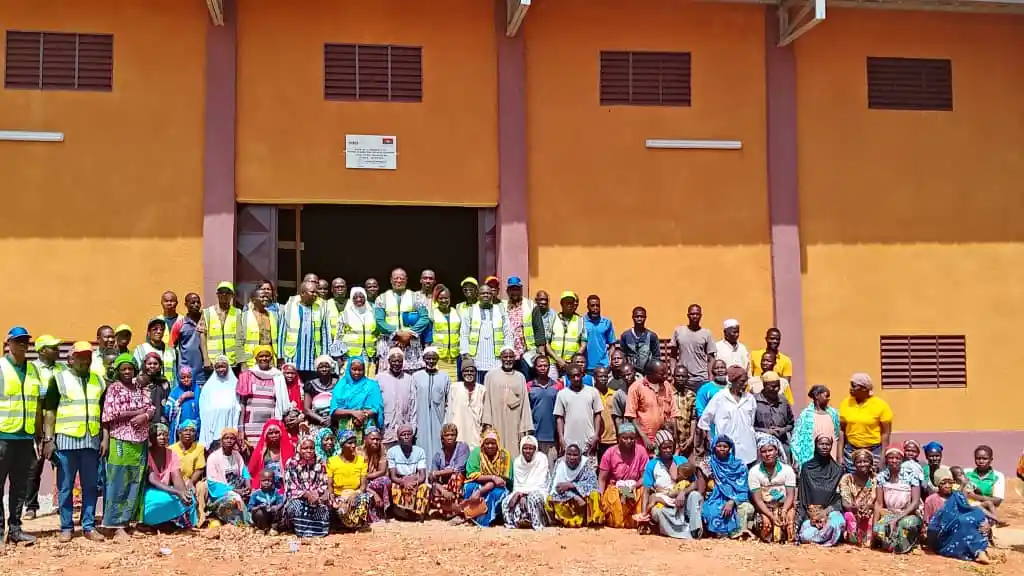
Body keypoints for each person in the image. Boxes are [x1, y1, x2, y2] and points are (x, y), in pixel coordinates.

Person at [40, 341, 106, 542]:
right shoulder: (59, 379)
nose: (85, 360)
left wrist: (104, 438)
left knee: (90, 486)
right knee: (66, 486)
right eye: (81, 356)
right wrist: (49, 439)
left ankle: (88, 526)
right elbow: (50, 411)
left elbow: (103, 414)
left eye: (88, 356)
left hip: (91, 441)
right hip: (66, 442)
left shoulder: (99, 381)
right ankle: (66, 527)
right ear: (73, 358)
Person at [101, 354, 155, 539]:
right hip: (121, 440)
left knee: (135, 482)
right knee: (118, 482)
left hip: (139, 442)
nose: (126, 372)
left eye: (129, 368)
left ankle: (130, 522)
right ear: (117, 370)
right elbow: (111, 413)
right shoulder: (114, 389)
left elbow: (151, 407)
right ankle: (114, 525)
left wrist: (144, 416)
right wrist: (137, 412)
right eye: (123, 369)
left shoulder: (139, 388)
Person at [25, 334, 63, 522]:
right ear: (41, 351)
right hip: (37, 420)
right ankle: (31, 506)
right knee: (35, 465)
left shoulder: (62, 368)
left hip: (59, 421)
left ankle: (62, 503)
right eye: (53, 347)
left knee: (62, 465)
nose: (57, 350)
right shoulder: (31, 368)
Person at [640, 430, 704, 539]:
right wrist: (643, 515)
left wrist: (683, 492)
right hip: (664, 501)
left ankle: (695, 530)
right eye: (664, 448)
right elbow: (646, 492)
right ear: (658, 448)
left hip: (682, 501)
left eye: (670, 447)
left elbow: (695, 483)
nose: (668, 450)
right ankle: (682, 533)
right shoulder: (652, 465)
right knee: (658, 512)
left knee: (695, 496)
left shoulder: (681, 460)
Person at [925, 467, 994, 564]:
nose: (947, 485)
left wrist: (985, 522)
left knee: (975, 514)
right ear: (937, 484)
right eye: (943, 483)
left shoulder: (959, 496)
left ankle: (980, 552)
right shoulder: (931, 500)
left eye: (950, 482)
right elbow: (929, 524)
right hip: (943, 537)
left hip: (962, 530)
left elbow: (968, 511)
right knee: (961, 521)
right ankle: (977, 551)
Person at [140, 423, 197, 529]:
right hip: (150, 491)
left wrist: (184, 493)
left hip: (167, 490)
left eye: (165, 434)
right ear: (151, 438)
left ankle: (176, 522)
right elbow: (153, 480)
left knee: (190, 498)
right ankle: (153, 522)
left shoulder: (172, 454)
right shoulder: (146, 454)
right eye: (159, 435)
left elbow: (176, 478)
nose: (163, 437)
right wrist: (177, 492)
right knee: (161, 501)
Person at [698, 366, 756, 466]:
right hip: (725, 451)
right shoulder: (720, 397)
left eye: (746, 381)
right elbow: (704, 421)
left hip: (747, 450)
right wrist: (711, 441)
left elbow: (751, 422)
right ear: (733, 381)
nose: (745, 384)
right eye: (742, 381)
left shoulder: (750, 399)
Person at [374, 268, 430, 372]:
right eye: (396, 278)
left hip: (411, 342)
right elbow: (379, 321)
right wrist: (397, 334)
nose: (399, 281)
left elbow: (424, 318)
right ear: (391, 280)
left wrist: (409, 334)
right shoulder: (381, 298)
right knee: (388, 376)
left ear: (406, 280)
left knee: (411, 377)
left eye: (402, 278)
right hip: (390, 342)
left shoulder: (417, 297)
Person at [482, 347, 534, 458]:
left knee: (513, 452)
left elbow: (525, 403)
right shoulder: (490, 376)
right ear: (501, 358)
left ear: (515, 359)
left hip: (514, 422)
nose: (508, 359)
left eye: (511, 357)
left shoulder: (520, 377)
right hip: (496, 421)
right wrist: (487, 423)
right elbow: (486, 401)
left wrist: (524, 427)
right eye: (505, 357)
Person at [598, 422, 649, 529]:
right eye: (625, 438)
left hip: (635, 486)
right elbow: (602, 479)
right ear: (618, 438)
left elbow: (645, 477)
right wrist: (600, 498)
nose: (629, 441)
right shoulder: (609, 453)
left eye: (632, 438)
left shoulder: (641, 451)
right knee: (615, 512)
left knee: (644, 492)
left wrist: (633, 487)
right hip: (615, 488)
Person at [796, 435, 845, 546]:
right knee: (805, 535)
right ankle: (826, 537)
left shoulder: (838, 470)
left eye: (827, 444)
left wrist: (826, 512)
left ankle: (826, 537)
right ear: (816, 446)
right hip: (812, 516)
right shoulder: (806, 468)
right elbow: (803, 497)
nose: (824, 447)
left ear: (831, 446)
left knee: (835, 523)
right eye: (821, 444)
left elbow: (840, 499)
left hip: (831, 513)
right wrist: (815, 517)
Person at [873, 445, 923, 554]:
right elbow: (879, 503)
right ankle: (891, 545)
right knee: (879, 530)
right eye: (890, 458)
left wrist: (896, 519)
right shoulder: (881, 477)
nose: (894, 461)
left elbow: (915, 502)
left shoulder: (911, 475)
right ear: (886, 459)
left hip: (909, 512)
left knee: (906, 525)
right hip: (890, 513)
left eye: (897, 458)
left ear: (902, 459)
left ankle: (909, 543)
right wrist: (874, 526)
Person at [701, 435, 754, 538]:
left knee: (748, 509)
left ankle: (739, 533)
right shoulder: (708, 463)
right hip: (714, 498)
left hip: (737, 498)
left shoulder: (739, 465)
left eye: (725, 446)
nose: (722, 449)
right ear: (713, 447)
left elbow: (743, 488)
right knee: (714, 510)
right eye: (719, 446)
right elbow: (702, 485)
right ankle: (721, 534)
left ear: (730, 448)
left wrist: (732, 501)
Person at [838, 373, 892, 472]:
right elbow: (841, 430)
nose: (850, 389)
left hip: (874, 451)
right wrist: (840, 456)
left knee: (873, 481)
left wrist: (882, 459)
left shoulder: (881, 405)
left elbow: (886, 433)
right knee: (853, 482)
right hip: (851, 450)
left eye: (854, 386)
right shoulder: (846, 403)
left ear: (864, 388)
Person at [278, 280, 331, 382]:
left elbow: (325, 334)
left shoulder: (320, 309)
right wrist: (280, 357)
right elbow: (281, 333)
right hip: (292, 359)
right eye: (312, 292)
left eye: (316, 292)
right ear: (302, 293)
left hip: (313, 360)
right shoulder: (289, 308)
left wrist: (325, 357)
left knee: (311, 390)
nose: (316, 295)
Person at [748, 438, 796, 543]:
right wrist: (771, 516)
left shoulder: (787, 470)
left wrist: (784, 511)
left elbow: (790, 495)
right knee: (765, 525)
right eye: (764, 451)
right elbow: (758, 500)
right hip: (765, 507)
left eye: (770, 450)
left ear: (776, 451)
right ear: (760, 453)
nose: (767, 454)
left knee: (790, 524)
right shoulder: (754, 472)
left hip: (784, 506)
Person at [554, 364, 603, 467]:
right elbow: (559, 418)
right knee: (570, 471)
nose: (576, 378)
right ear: (568, 377)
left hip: (589, 440)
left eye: (578, 375)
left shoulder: (593, 392)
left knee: (590, 471)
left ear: (583, 375)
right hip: (569, 441)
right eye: (573, 376)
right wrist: (561, 438)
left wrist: (596, 435)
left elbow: (597, 415)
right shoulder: (562, 394)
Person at [625, 359, 677, 455]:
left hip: (665, 439)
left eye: (666, 372)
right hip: (645, 439)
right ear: (650, 374)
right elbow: (631, 415)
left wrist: (674, 435)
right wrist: (644, 438)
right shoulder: (636, 387)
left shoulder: (667, 386)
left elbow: (673, 412)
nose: (666, 376)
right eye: (662, 373)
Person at [460, 284, 510, 381]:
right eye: (483, 293)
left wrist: (508, 351)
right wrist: (465, 353)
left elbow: (507, 332)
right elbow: (464, 334)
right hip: (476, 359)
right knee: (478, 389)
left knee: (494, 389)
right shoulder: (469, 311)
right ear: (478, 295)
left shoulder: (500, 310)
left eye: (488, 293)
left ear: (492, 295)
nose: (486, 295)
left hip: (496, 359)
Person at [461, 430, 512, 527]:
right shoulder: (476, 452)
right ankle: (470, 515)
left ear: (497, 444)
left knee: (496, 493)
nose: (490, 446)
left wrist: (481, 491)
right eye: (487, 443)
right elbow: (472, 474)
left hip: (499, 486)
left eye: (493, 443)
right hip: (480, 481)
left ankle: (485, 520)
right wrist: (493, 477)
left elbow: (502, 481)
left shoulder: (504, 455)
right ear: (483, 443)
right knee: (470, 487)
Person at [283, 436, 331, 537]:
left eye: (311, 448)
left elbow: (324, 482)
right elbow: (291, 487)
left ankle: (317, 531)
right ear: (299, 449)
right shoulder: (291, 463)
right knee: (297, 508)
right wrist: (306, 494)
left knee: (324, 508)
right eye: (305, 448)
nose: (309, 451)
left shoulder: (321, 462)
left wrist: (317, 494)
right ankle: (299, 529)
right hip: (298, 498)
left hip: (316, 498)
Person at [329, 356, 383, 444]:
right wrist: (353, 412)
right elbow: (334, 410)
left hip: (366, 425)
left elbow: (376, 407)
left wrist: (363, 415)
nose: (357, 372)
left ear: (364, 370)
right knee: (348, 453)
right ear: (349, 369)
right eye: (354, 369)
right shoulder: (341, 385)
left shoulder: (372, 385)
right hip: (345, 427)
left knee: (365, 453)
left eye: (360, 370)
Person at [547, 443, 603, 527]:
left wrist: (571, 485)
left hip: (583, 494)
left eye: (575, 455)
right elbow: (555, 487)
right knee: (550, 498)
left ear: (580, 455)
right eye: (569, 454)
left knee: (595, 494)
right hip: (566, 496)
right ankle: (568, 520)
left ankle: (591, 521)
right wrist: (574, 496)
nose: (571, 457)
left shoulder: (586, 463)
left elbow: (593, 484)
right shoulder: (560, 463)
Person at [205, 428, 252, 526]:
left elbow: (244, 472)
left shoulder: (237, 455)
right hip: (221, 493)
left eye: (232, 438)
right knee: (233, 500)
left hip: (239, 489)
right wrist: (234, 491)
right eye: (226, 438)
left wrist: (248, 486)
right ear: (221, 440)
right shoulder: (213, 458)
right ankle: (241, 523)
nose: (229, 440)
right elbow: (212, 483)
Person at [326, 430, 372, 530]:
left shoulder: (361, 460)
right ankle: (342, 521)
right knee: (335, 506)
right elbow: (330, 485)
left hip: (355, 494)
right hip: (339, 495)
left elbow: (363, 486)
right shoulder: (332, 461)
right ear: (342, 445)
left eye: (355, 442)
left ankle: (353, 524)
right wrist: (334, 498)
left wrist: (355, 494)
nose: (353, 446)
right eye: (349, 443)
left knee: (364, 498)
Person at [502, 435, 549, 530]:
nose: (528, 451)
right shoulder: (518, 462)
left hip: (539, 491)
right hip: (520, 491)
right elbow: (518, 485)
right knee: (506, 502)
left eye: (531, 448)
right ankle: (514, 523)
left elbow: (541, 484)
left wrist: (523, 494)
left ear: (535, 449)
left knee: (532, 499)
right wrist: (519, 494)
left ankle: (537, 523)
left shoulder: (542, 459)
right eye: (525, 448)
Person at [413, 348, 449, 464]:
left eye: (434, 358)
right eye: (428, 358)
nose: (431, 361)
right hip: (421, 419)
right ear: (423, 359)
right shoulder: (416, 376)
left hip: (439, 420)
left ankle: (437, 475)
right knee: (421, 445)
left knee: (439, 446)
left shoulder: (444, 377)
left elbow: (448, 401)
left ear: (438, 359)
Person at [387, 424, 430, 520]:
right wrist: (403, 482)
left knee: (424, 487)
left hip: (415, 479)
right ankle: (401, 511)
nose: (406, 436)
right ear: (398, 437)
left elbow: (422, 475)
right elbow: (393, 476)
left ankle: (418, 513)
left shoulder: (420, 451)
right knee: (395, 487)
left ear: (412, 436)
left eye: (409, 434)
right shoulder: (392, 452)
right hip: (400, 480)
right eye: (403, 434)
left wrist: (414, 482)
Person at [791, 384, 840, 469]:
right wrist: (796, 459)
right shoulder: (806, 415)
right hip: (811, 456)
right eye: (826, 396)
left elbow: (837, 435)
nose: (829, 399)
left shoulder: (833, 414)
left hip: (831, 454)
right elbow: (798, 438)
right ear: (817, 396)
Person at [330, 287, 377, 375]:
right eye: (355, 297)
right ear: (352, 299)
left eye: (361, 297)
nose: (359, 299)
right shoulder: (345, 314)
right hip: (349, 354)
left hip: (369, 353)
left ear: (365, 298)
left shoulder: (372, 313)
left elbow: (377, 333)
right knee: (351, 378)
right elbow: (339, 336)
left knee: (368, 378)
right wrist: (338, 356)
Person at [197, 356, 241, 449]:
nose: (221, 369)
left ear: (228, 367)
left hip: (229, 427)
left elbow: (238, 406)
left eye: (223, 366)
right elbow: (203, 408)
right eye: (218, 367)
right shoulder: (208, 386)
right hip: (212, 430)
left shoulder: (236, 384)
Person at [169, 420, 207, 527]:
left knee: (202, 487)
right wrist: (182, 482)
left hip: (193, 480)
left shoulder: (199, 448)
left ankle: (200, 516)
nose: (188, 433)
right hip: (176, 481)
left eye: (192, 431)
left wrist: (191, 481)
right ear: (179, 433)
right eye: (185, 430)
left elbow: (200, 468)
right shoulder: (171, 449)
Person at [671, 304, 716, 394]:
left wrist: (711, 379)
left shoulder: (707, 333)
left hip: (702, 379)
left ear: (701, 316)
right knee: (683, 406)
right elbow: (673, 355)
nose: (695, 316)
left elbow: (711, 358)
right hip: (683, 379)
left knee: (700, 407)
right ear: (688, 315)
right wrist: (673, 374)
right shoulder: (679, 331)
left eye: (697, 314)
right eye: (692, 314)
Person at [379, 348, 418, 449]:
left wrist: (412, 428)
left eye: (399, 361)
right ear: (389, 362)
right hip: (386, 431)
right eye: (394, 361)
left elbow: (413, 405)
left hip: (404, 431)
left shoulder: (409, 379)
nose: (397, 364)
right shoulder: (380, 378)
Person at [429, 423, 469, 519]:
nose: (450, 437)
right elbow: (432, 477)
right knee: (432, 488)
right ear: (442, 438)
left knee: (456, 477)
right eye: (447, 435)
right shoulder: (438, 455)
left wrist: (438, 473)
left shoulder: (462, 447)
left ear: (456, 436)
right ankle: (453, 511)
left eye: (452, 435)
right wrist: (443, 491)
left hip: (460, 484)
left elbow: (458, 468)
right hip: (444, 486)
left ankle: (457, 511)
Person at [838, 448, 877, 547]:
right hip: (852, 511)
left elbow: (879, 502)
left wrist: (869, 507)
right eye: (859, 462)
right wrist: (857, 508)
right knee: (849, 517)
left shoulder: (875, 479)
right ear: (854, 464)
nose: (862, 464)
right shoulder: (847, 479)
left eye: (865, 461)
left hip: (871, 512)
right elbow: (845, 503)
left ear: (870, 463)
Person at [752, 371, 795, 458]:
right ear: (764, 385)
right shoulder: (754, 401)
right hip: (762, 450)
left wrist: (782, 430)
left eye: (778, 386)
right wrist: (767, 431)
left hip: (783, 446)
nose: (776, 389)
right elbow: (750, 426)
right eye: (772, 386)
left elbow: (791, 424)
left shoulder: (783, 401)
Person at [445, 360, 486, 449]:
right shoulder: (454, 388)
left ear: (475, 372)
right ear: (462, 372)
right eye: (466, 371)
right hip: (458, 433)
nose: (469, 373)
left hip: (476, 434)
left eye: (472, 371)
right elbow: (449, 411)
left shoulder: (482, 390)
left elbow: (485, 414)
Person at [500, 276, 535, 379]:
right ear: (507, 291)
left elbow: (538, 328)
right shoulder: (502, 305)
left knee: (525, 380)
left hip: (526, 352)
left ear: (521, 290)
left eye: (517, 289)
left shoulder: (530, 304)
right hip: (508, 352)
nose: (514, 292)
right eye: (512, 289)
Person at [204, 282, 243, 371]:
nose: (224, 294)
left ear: (232, 295)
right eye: (221, 292)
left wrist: (241, 359)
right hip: (213, 363)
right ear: (217, 294)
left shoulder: (238, 313)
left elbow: (241, 338)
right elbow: (202, 336)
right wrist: (206, 359)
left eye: (227, 292)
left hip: (233, 363)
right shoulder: (207, 312)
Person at [247, 419, 294, 494]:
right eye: (270, 433)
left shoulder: (289, 449)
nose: (274, 435)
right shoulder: (261, 451)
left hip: (284, 488)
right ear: (266, 435)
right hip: (264, 488)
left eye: (276, 432)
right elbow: (251, 471)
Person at [528, 355, 559, 463]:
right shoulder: (528, 386)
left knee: (551, 468)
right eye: (540, 366)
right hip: (534, 435)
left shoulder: (558, 386)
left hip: (553, 437)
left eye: (545, 365)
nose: (543, 368)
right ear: (535, 368)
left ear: (549, 367)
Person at [547, 291, 587, 375]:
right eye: (567, 302)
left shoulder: (580, 320)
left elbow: (583, 344)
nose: (569, 305)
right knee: (554, 386)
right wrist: (558, 359)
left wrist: (572, 359)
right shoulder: (553, 319)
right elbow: (546, 343)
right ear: (562, 304)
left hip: (571, 363)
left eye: (571, 303)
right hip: (553, 362)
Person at [240, 284, 279, 368]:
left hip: (270, 361)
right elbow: (239, 341)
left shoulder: (273, 316)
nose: (265, 299)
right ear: (253, 300)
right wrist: (243, 363)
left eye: (266, 297)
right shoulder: (244, 316)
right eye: (262, 297)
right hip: (251, 361)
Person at [133, 317, 177, 388]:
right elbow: (135, 373)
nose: (159, 331)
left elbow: (175, 373)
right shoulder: (140, 349)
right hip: (147, 391)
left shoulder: (171, 350)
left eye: (161, 329)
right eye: (155, 329)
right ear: (149, 332)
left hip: (168, 391)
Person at [175, 293, 208, 388]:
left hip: (204, 372)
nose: (196, 305)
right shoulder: (180, 324)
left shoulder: (206, 320)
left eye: (198, 302)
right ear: (186, 304)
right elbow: (172, 347)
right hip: (186, 374)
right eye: (192, 302)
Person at [430, 285, 461, 382]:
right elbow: (428, 336)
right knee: (440, 383)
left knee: (454, 384)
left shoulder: (456, 312)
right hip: (439, 357)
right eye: (441, 298)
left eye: (446, 298)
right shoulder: (432, 314)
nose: (443, 301)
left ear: (450, 298)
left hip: (454, 357)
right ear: (437, 300)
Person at [618, 306, 659, 376]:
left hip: (647, 373)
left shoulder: (652, 336)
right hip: (630, 373)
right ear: (633, 317)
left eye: (642, 317)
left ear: (645, 318)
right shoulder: (625, 336)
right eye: (637, 316)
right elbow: (623, 355)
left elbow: (656, 356)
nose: (639, 319)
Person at [361, 427, 391, 523]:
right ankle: (371, 515)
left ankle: (383, 511)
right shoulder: (358, 452)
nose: (375, 442)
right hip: (359, 482)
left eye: (377, 439)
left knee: (385, 481)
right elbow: (357, 477)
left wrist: (366, 476)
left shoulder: (381, 449)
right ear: (365, 439)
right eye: (372, 439)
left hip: (371, 478)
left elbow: (382, 471)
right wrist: (374, 494)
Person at [694, 359, 729, 439]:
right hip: (712, 428)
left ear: (726, 370)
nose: (720, 370)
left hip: (729, 426)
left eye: (722, 367)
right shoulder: (705, 389)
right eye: (717, 368)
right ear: (712, 371)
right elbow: (700, 409)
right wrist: (706, 430)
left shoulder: (732, 387)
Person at [964, 445, 1005, 510]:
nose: (981, 461)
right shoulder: (966, 473)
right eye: (978, 458)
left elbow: (997, 501)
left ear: (991, 460)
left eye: (985, 459)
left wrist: (975, 497)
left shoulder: (998, 476)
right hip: (965, 509)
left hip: (986, 511)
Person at [166, 366, 201, 444]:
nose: (186, 379)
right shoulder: (175, 391)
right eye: (183, 377)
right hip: (180, 432)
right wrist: (181, 398)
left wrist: (195, 424)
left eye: (189, 377)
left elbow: (202, 411)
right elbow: (168, 412)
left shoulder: (198, 391)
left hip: (195, 431)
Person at [582, 294, 616, 374]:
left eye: (597, 305)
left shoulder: (606, 322)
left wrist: (609, 362)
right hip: (586, 366)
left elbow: (612, 345)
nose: (595, 308)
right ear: (588, 307)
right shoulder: (581, 321)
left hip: (603, 366)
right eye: (592, 305)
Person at [670, 365, 697, 456]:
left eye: (683, 376)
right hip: (670, 440)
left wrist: (691, 438)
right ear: (673, 377)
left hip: (686, 440)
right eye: (678, 376)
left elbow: (693, 418)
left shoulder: (691, 395)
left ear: (687, 378)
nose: (680, 378)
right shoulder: (667, 393)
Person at [593, 366, 619, 462]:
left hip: (613, 439)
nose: (603, 379)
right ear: (595, 377)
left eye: (605, 376)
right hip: (596, 440)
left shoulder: (615, 394)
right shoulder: (591, 394)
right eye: (600, 376)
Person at [248, 469, 286, 534]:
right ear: (260, 481)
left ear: (273, 481)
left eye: (269, 480)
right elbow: (250, 508)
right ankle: (262, 528)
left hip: (272, 515)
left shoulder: (276, 492)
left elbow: (281, 502)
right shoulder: (256, 494)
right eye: (264, 480)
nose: (266, 482)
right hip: (261, 516)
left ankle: (274, 527)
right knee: (259, 513)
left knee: (282, 510)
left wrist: (276, 507)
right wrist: (259, 507)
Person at [325, 277, 348, 343]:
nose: (340, 289)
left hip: (349, 343)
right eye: (337, 287)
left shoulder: (352, 304)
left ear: (346, 288)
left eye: (342, 287)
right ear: (332, 289)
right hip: (331, 342)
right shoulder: (326, 304)